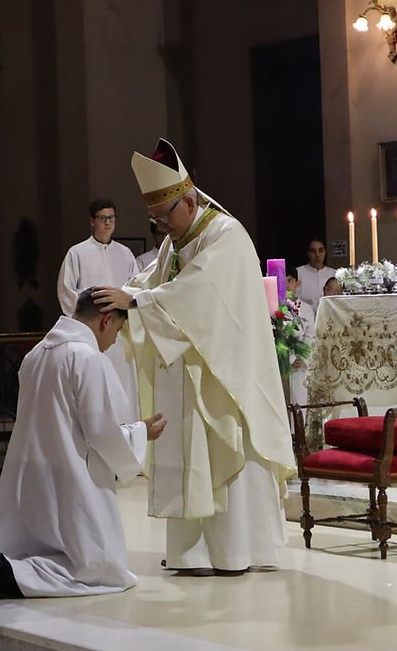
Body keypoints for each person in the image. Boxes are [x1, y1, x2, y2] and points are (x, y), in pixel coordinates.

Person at [93, 138, 296, 575]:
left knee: (219, 454)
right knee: (188, 457)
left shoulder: (226, 234)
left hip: (223, 379)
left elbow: (200, 294)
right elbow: (151, 281)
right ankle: (193, 553)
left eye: (164, 216)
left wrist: (137, 305)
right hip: (186, 374)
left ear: (187, 201)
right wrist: (127, 295)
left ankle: (235, 550)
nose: (160, 226)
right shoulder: (176, 240)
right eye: (154, 219)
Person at [0, 287, 167, 603]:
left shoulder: (37, 353)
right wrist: (141, 433)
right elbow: (99, 432)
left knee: (37, 547)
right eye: (119, 330)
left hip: (30, 479)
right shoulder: (86, 358)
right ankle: (1, 570)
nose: (115, 340)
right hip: (69, 480)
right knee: (97, 569)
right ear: (106, 320)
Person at [57, 198, 140, 421]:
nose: (108, 223)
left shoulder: (125, 254)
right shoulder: (77, 253)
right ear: (92, 221)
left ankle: (127, 435)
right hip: (91, 335)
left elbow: (136, 289)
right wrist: (88, 321)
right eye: (102, 218)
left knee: (124, 390)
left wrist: (123, 313)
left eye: (111, 218)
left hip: (120, 334)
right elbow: (67, 293)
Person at [285, 270, 315, 406]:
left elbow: (309, 335)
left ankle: (298, 427)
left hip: (299, 360)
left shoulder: (306, 308)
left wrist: (299, 356)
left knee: (298, 401)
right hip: (282, 357)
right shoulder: (273, 307)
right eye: (282, 281)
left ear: (298, 283)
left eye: (290, 281)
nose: (286, 285)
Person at [295, 237, 336, 311]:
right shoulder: (298, 273)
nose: (317, 255)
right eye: (313, 251)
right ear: (307, 253)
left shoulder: (334, 273)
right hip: (304, 316)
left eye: (321, 251)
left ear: (325, 252)